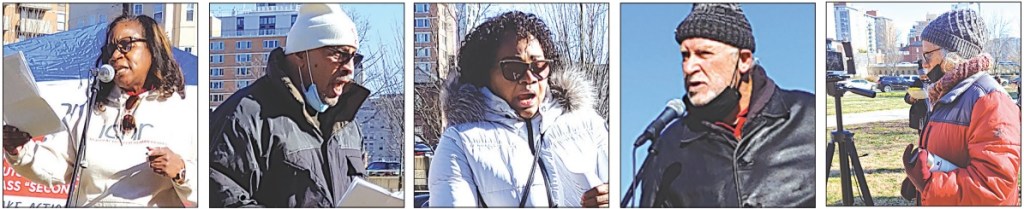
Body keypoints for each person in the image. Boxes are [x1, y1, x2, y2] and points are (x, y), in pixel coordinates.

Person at [3, 14, 197, 207]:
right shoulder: (88, 112)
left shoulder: (182, 113)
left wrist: (181, 172)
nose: (115, 56)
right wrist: (22, 151)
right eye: (111, 49)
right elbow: (57, 167)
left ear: (153, 49)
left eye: (126, 45)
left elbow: (210, 186)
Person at [635, 3, 815, 207]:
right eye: (685, 56)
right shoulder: (668, 147)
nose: (689, 67)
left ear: (744, 60)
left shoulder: (809, 117)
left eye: (704, 54)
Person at [428, 11, 609, 208]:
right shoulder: (460, 142)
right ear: (485, 74)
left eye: (538, 66)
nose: (529, 78)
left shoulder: (590, 126)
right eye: (514, 68)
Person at [209, 4, 373, 207]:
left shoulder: (348, 125)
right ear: (300, 55)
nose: (349, 68)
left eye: (354, 57)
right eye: (339, 54)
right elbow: (223, 198)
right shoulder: (244, 117)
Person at [900, 9, 1020, 206]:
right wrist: (919, 183)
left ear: (953, 55)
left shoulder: (990, 100)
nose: (923, 64)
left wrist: (930, 183)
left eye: (927, 55)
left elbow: (993, 186)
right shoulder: (947, 93)